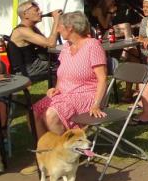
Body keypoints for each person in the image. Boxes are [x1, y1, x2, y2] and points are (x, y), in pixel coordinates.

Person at [32, 11, 107, 139]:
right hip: (64, 94)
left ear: (70, 28)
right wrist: (56, 89)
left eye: (59, 26)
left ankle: (66, 147)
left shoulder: (92, 45)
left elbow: (102, 78)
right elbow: (62, 74)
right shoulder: (66, 47)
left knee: (51, 114)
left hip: (86, 96)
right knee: (34, 111)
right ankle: (46, 149)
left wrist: (96, 104)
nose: (57, 29)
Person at [9, 1, 61, 80]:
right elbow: (51, 43)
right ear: (25, 14)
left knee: (64, 60)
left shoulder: (31, 28)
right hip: (26, 69)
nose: (40, 12)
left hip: (35, 64)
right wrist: (56, 20)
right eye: (36, 10)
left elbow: (45, 45)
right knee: (65, 65)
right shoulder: (22, 31)